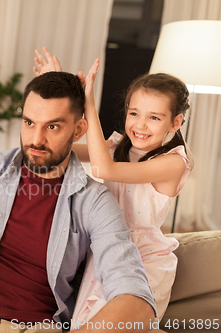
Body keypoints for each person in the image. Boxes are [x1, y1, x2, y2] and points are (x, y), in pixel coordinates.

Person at [0, 71, 157, 333]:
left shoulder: (95, 202)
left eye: (52, 126)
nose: (36, 139)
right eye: (29, 123)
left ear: (79, 130)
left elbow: (137, 300)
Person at [33, 47, 191, 328]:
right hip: (105, 249)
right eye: (134, 113)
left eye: (154, 117)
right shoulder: (117, 147)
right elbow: (63, 151)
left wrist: (89, 101)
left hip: (143, 260)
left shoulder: (173, 163)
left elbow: (103, 169)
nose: (140, 125)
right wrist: (58, 93)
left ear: (175, 122)